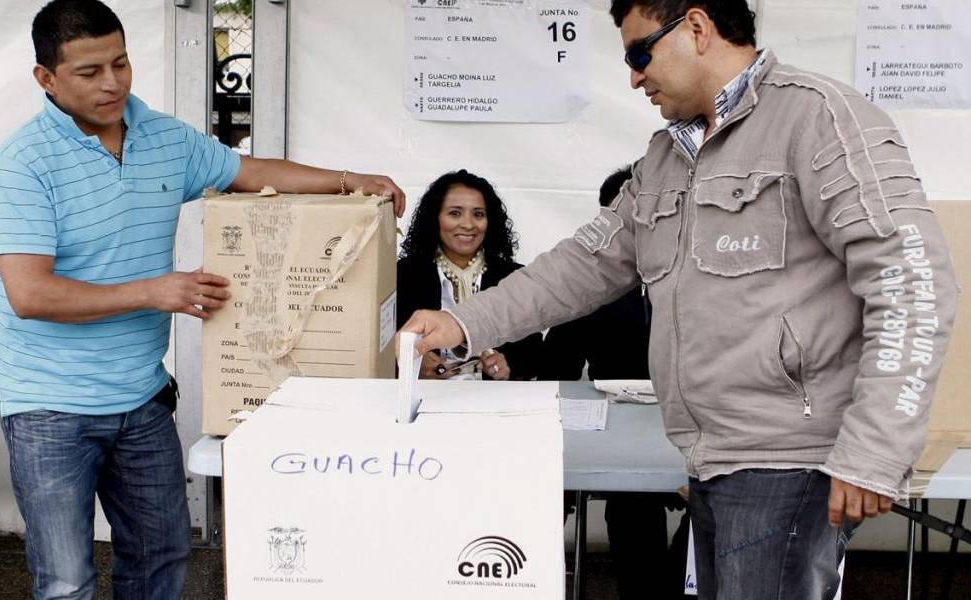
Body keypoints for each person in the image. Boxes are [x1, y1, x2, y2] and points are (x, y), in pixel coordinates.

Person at [399, 2, 958, 598]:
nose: (633, 77)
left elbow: (913, 284)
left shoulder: (820, 118)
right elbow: (579, 266)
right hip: (709, 463)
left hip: (790, 465)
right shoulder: (665, 159)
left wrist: (874, 451)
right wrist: (462, 322)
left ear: (696, 27)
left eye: (640, 53)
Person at [0, 1, 405, 598]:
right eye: (89, 72)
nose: (112, 83)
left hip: (141, 393)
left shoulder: (162, 137)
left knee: (161, 556)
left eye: (121, 63)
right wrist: (155, 291)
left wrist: (349, 181)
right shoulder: (21, 165)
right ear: (45, 78)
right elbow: (30, 293)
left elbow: (249, 172)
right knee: (68, 580)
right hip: (47, 402)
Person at [543, 165, 688, 599]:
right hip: (624, 439)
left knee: (724, 502)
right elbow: (556, 369)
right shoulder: (591, 288)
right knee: (633, 502)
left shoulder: (698, 276)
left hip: (699, 434)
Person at [397, 169, 542, 381]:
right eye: (455, 213)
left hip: (496, 397)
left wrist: (508, 367)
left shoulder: (513, 276)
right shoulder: (404, 275)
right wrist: (411, 363)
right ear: (435, 218)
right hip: (426, 396)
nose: (468, 224)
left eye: (478, 214)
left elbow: (534, 355)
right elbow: (381, 347)